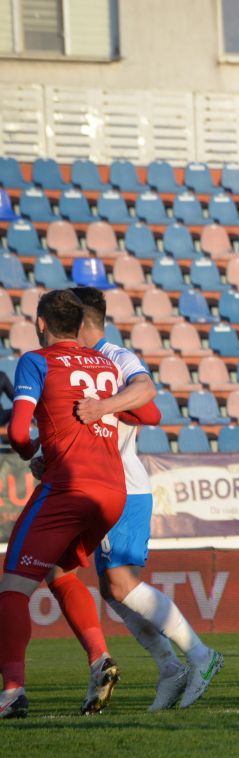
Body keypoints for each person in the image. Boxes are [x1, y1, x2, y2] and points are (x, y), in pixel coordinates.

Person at [69, 288, 222, 712]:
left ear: (82, 323)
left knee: (121, 583)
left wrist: (103, 407)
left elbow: (147, 392)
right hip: (98, 486)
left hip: (125, 486)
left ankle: (202, 657)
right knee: (111, 589)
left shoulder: (116, 356)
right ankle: (170, 668)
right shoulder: (75, 364)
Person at [0, 291, 131, 718]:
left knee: (13, 587)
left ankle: (13, 691)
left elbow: (19, 432)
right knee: (61, 572)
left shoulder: (36, 361)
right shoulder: (107, 364)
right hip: (112, 490)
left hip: (69, 487)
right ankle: (99, 660)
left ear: (41, 324)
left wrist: (30, 450)